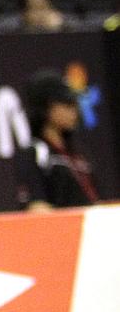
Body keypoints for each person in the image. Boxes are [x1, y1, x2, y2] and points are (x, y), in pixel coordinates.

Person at [15, 70, 98, 210]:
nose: (74, 110)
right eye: (66, 104)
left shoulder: (79, 154)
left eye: (75, 103)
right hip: (64, 224)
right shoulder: (35, 153)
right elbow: (37, 208)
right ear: (45, 107)